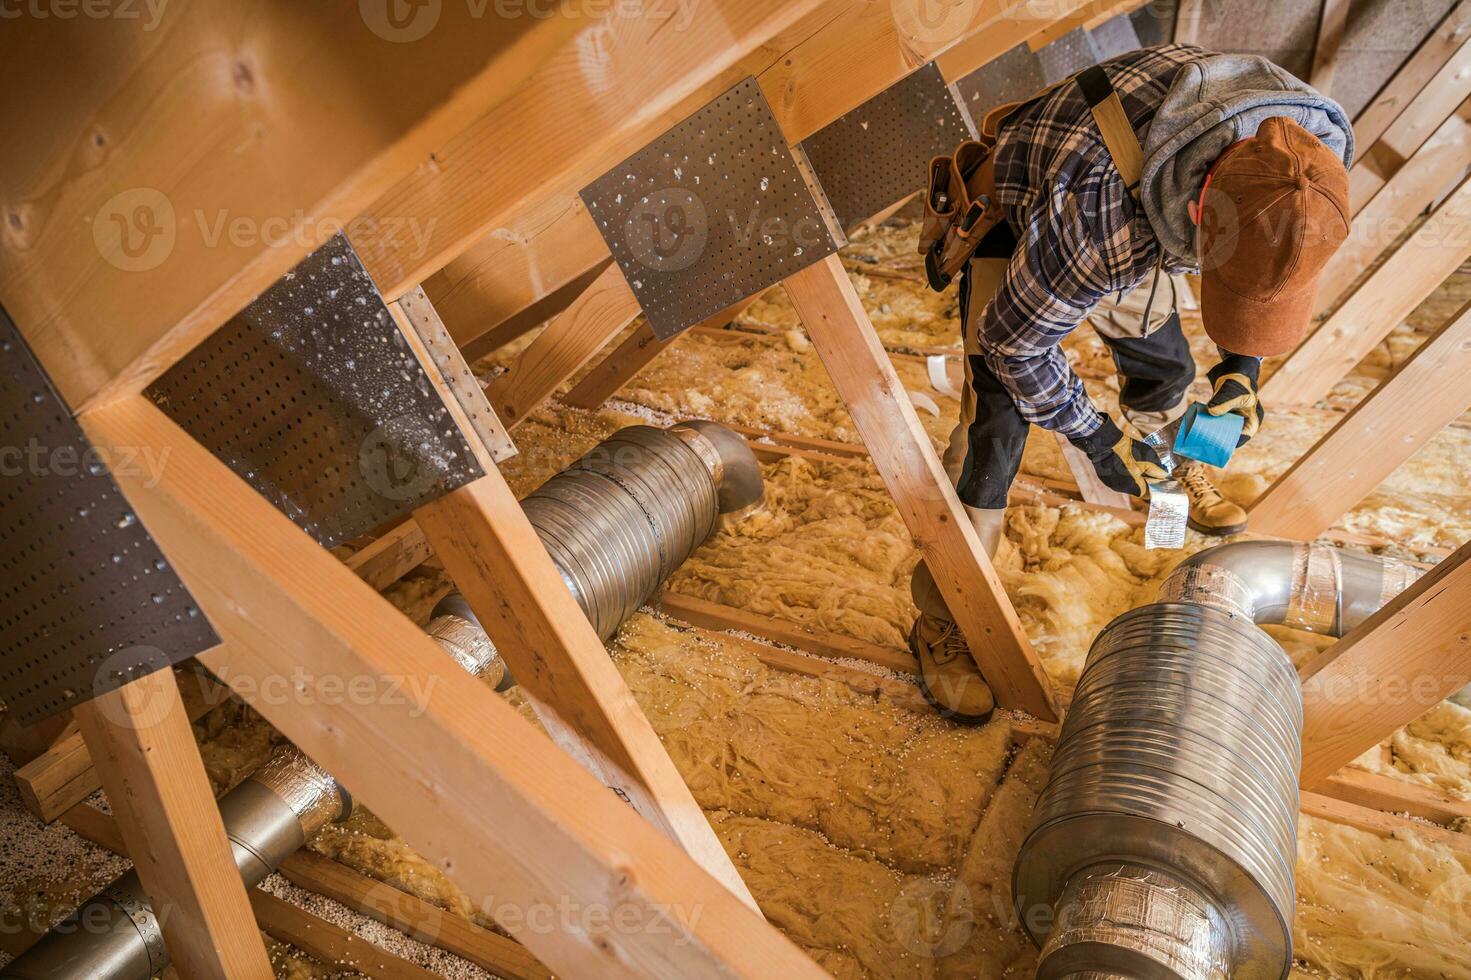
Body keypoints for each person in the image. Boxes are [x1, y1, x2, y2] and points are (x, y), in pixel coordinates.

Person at [912, 43, 1353, 722]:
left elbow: (1278, 250)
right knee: (996, 427)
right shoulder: (1097, 227)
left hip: (1138, 179)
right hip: (1031, 203)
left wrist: (1241, 372)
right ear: (1199, 219)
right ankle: (947, 613)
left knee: (1166, 366)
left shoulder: (1309, 148)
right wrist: (1094, 437)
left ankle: (1171, 479)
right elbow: (1014, 342)